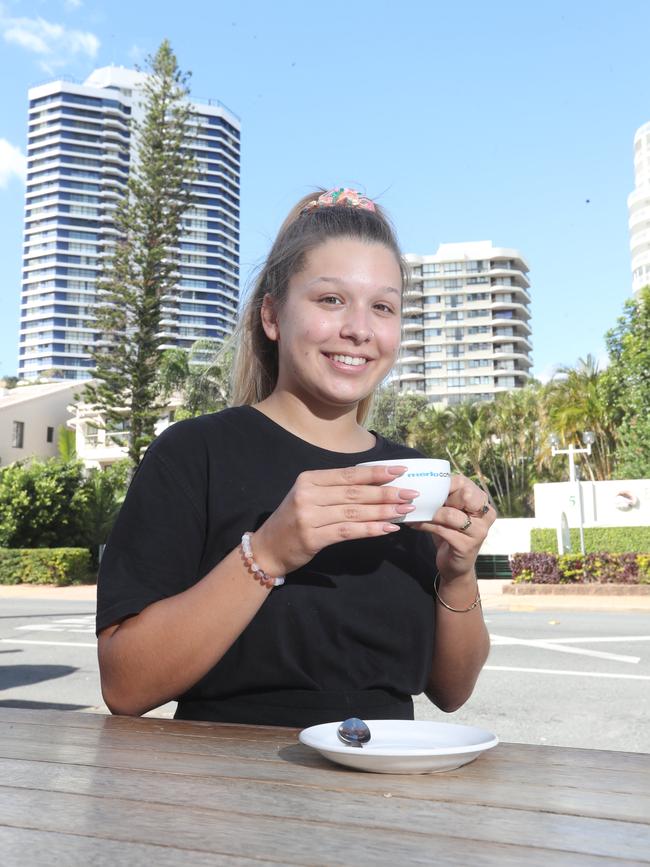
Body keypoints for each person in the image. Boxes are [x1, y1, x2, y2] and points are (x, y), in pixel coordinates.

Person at [96, 186, 495, 727]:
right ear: (271, 316)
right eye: (331, 300)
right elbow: (124, 684)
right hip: (225, 790)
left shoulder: (413, 474)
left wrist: (457, 572)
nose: (358, 328)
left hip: (387, 793)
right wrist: (267, 554)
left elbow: (451, 691)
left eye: (382, 307)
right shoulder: (195, 454)